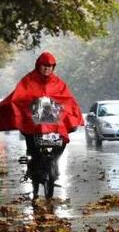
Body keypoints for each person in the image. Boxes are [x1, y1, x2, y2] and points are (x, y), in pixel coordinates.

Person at [0, 52, 83, 187]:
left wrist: (68, 113)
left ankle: (54, 163)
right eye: (44, 65)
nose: (47, 68)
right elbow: (19, 97)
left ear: (53, 67)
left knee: (62, 140)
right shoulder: (28, 80)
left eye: (50, 66)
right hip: (31, 121)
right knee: (32, 143)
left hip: (52, 122)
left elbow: (67, 99)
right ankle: (33, 168)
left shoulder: (58, 82)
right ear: (38, 65)